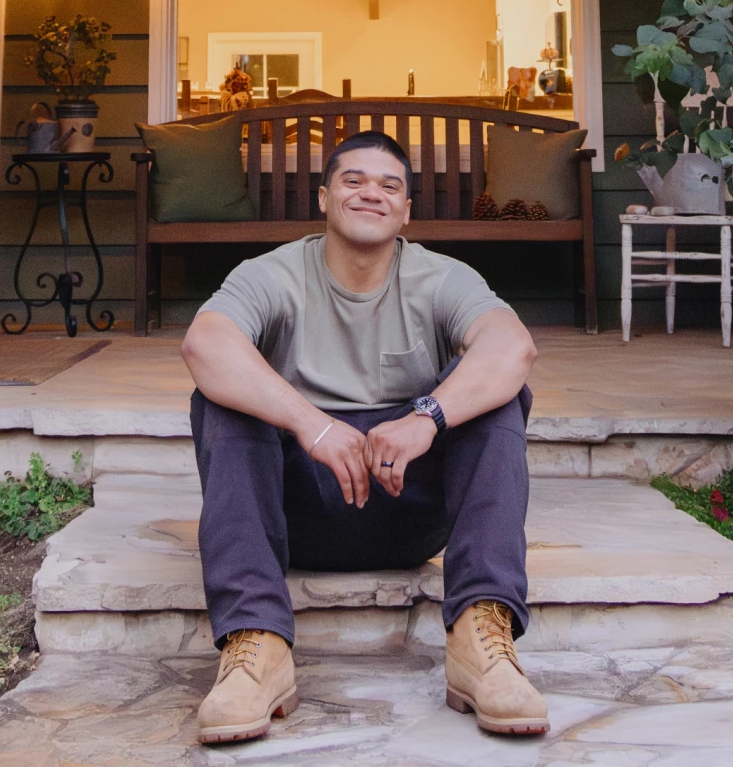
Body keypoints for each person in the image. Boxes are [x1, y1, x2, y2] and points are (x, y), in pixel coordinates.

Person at [180, 130, 547, 745]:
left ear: (406, 211)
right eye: (353, 180)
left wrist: (426, 415)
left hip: (409, 506)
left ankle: (482, 633)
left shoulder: (441, 276)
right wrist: (312, 423)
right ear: (324, 198)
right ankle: (256, 647)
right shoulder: (271, 273)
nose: (370, 193)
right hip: (298, 514)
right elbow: (204, 343)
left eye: (389, 186)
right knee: (224, 396)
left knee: (496, 391)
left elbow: (514, 346)